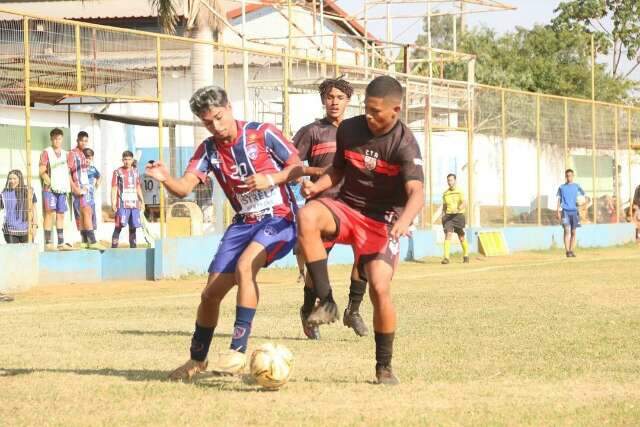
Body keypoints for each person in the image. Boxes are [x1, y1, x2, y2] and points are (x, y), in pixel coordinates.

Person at [145, 85, 306, 380]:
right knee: (210, 295)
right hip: (244, 223)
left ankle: (237, 351)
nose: (216, 127)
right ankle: (197, 361)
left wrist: (271, 178)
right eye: (208, 123)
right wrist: (165, 178)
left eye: (219, 117)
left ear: (230, 107)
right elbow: (184, 188)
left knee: (246, 267)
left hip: (279, 218)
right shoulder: (208, 149)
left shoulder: (263, 133)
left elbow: (297, 167)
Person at [296, 76, 425, 385]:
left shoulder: (405, 143)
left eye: (377, 111)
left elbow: (416, 192)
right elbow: (337, 170)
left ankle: (384, 367)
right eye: (367, 108)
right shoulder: (350, 129)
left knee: (380, 288)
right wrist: (317, 186)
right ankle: (326, 302)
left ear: (396, 109)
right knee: (307, 216)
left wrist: (405, 219)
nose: (369, 116)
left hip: (382, 221)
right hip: (348, 208)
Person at [292, 78, 369, 340]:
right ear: (323, 100)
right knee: (317, 270)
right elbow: (290, 165)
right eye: (329, 97)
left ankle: (353, 310)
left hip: (354, 207)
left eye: (339, 97)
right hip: (322, 209)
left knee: (366, 257)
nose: (334, 102)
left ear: (349, 100)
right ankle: (308, 310)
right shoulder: (312, 131)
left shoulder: (359, 132)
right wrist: (309, 176)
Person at [69, 131, 105, 250]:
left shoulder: (83, 155)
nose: (83, 143)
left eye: (85, 141)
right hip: (79, 189)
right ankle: (93, 241)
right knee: (86, 212)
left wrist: (93, 186)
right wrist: (75, 188)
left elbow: (90, 174)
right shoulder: (73, 153)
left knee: (87, 213)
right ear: (77, 140)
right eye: (81, 140)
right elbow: (67, 172)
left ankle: (85, 240)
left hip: (86, 189)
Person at [39, 128, 72, 251]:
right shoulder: (46, 152)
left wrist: (67, 187)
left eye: (59, 138)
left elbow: (67, 172)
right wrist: (51, 183)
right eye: (54, 138)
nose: (57, 141)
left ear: (62, 139)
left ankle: (61, 242)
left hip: (62, 189)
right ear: (51, 139)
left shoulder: (66, 154)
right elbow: (42, 171)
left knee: (61, 214)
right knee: (49, 214)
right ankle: (48, 242)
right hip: (50, 189)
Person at [111, 151, 145, 248]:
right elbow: (114, 187)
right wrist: (113, 202)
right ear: (122, 160)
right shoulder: (117, 172)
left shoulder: (135, 171)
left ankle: (133, 247)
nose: (127, 161)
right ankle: (114, 247)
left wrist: (142, 201)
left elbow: (138, 186)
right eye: (125, 159)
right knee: (118, 226)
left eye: (129, 159)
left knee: (133, 226)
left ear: (132, 160)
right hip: (122, 204)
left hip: (134, 204)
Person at [1, 169, 37, 244]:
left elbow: (34, 209)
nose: (12, 181)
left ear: (20, 179)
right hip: (10, 232)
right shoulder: (4, 194)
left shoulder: (29, 191)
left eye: (14, 178)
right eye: (10, 179)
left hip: (27, 230)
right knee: (14, 254)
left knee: (28, 254)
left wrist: (34, 226)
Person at [556, 169, 586, 257]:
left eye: (570, 175)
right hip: (565, 211)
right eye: (567, 176)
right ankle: (567, 251)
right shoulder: (561, 187)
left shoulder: (577, 186)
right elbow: (558, 199)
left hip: (574, 212)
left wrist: (582, 205)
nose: (569, 177)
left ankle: (571, 250)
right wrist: (557, 211)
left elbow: (583, 197)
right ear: (566, 177)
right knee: (567, 230)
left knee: (573, 231)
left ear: (573, 176)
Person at [441, 173, 469, 264]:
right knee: (448, 234)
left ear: (455, 181)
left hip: (458, 216)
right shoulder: (445, 193)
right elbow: (444, 206)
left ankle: (466, 255)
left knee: (461, 237)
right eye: (448, 180)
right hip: (448, 217)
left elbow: (464, 203)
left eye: (451, 180)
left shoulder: (460, 191)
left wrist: (458, 209)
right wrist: (443, 214)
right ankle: (446, 258)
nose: (449, 182)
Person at [83, 148, 101, 232]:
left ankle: (92, 236)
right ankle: (85, 238)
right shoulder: (79, 169)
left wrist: (96, 185)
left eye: (89, 158)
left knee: (92, 216)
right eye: (86, 158)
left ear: (92, 158)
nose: (87, 160)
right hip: (81, 198)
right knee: (83, 218)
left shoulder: (93, 169)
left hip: (90, 198)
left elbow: (100, 177)